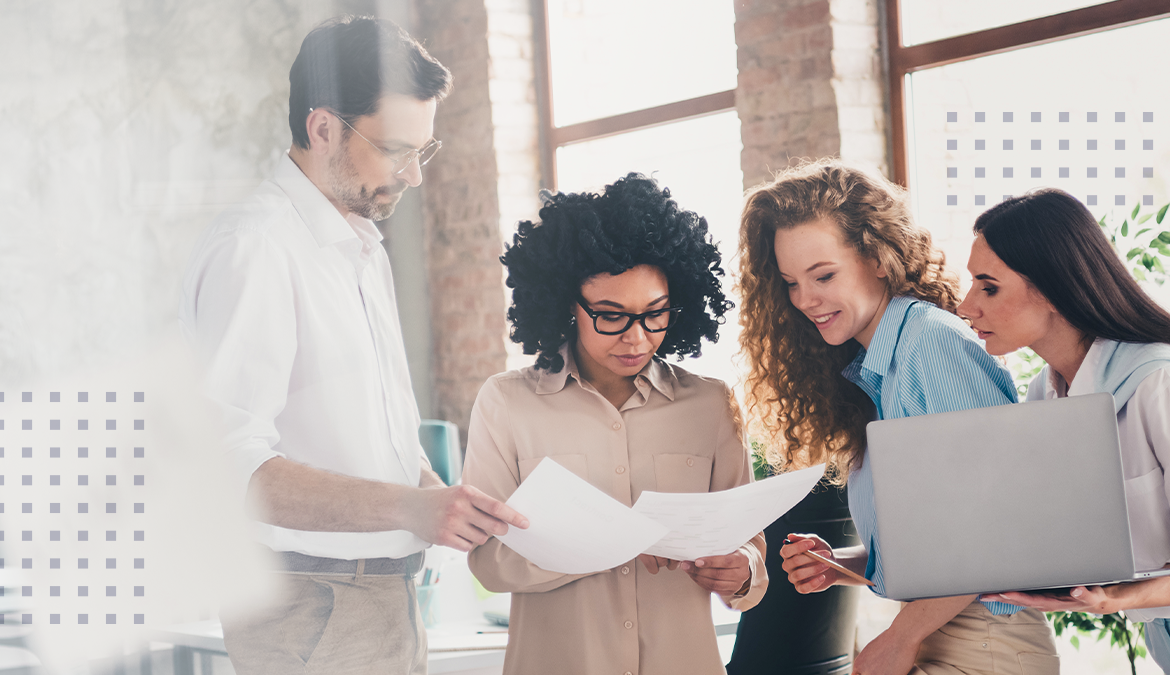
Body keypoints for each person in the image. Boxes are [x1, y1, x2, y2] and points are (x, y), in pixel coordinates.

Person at [179, 16, 526, 674]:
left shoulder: (359, 244)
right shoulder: (256, 248)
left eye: (424, 151)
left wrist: (441, 498)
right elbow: (229, 467)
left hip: (382, 595)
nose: (414, 176)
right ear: (323, 128)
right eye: (397, 149)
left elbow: (372, 436)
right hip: (313, 603)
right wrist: (411, 507)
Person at [738, 161, 1059, 674]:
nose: (805, 300)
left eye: (823, 275)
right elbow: (943, 546)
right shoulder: (876, 366)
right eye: (791, 283)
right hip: (942, 628)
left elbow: (997, 529)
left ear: (880, 259)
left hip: (984, 643)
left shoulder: (930, 344)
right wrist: (840, 566)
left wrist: (898, 640)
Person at [461, 174, 769, 675]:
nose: (637, 338)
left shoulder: (710, 405)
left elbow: (749, 558)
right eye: (610, 315)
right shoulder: (506, 404)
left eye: (655, 314)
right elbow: (488, 561)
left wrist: (742, 569)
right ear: (567, 304)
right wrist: (605, 544)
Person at [957, 189, 1170, 673]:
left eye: (988, 287)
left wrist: (1115, 597)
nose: (967, 307)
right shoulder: (1046, 396)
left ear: (1051, 289)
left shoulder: (1159, 381)